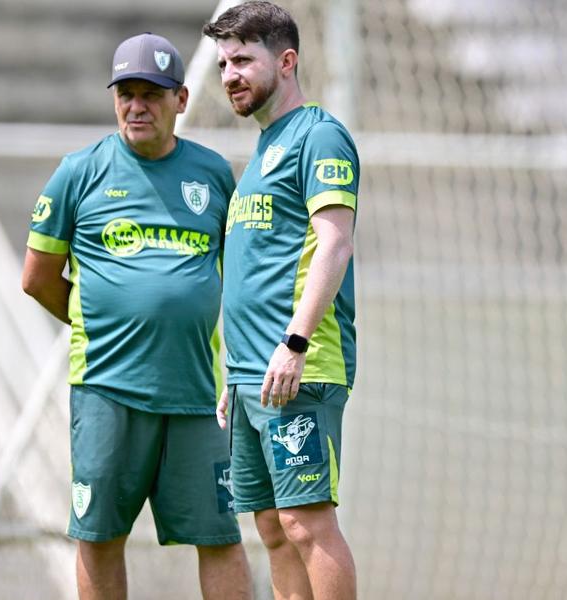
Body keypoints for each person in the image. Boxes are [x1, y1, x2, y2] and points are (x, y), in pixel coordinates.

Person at [21, 32, 251, 600]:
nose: (136, 106)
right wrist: (100, 322)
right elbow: (36, 278)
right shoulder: (79, 173)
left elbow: (238, 276)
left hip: (196, 393)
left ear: (182, 100)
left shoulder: (214, 174)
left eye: (152, 93)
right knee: (99, 536)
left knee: (219, 534)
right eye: (126, 93)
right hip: (107, 389)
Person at [203, 3, 360, 599]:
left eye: (243, 59)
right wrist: (234, 372)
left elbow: (335, 242)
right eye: (223, 63)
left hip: (299, 366)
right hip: (249, 377)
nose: (230, 75)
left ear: (286, 60)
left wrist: (293, 345)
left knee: (306, 521)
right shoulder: (264, 151)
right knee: (270, 527)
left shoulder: (319, 136)